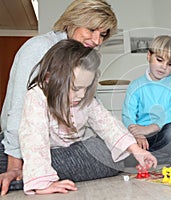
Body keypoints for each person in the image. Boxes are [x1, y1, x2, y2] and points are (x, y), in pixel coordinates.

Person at [0, 0, 117, 195]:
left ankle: (35, 173)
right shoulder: (39, 47)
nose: (97, 40)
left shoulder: (84, 54)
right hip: (23, 144)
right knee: (108, 156)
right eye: (91, 30)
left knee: (112, 151)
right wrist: (15, 163)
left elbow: (89, 106)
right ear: (73, 21)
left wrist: (119, 138)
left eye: (102, 34)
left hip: (60, 142)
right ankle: (30, 175)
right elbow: (20, 106)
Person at [18, 39, 157, 195]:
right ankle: (31, 176)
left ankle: (31, 175)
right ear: (50, 79)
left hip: (71, 152)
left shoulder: (85, 99)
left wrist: (136, 150)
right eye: (76, 88)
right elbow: (34, 141)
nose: (82, 95)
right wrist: (43, 185)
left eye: (86, 87)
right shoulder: (37, 96)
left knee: (104, 153)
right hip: (44, 153)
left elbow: (107, 123)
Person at [122, 35, 171, 165]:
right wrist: (137, 134)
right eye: (159, 60)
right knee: (117, 143)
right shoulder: (135, 85)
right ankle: (166, 157)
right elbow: (127, 115)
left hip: (163, 134)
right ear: (148, 55)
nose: (163, 67)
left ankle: (143, 159)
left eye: (170, 64)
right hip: (141, 137)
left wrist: (152, 127)